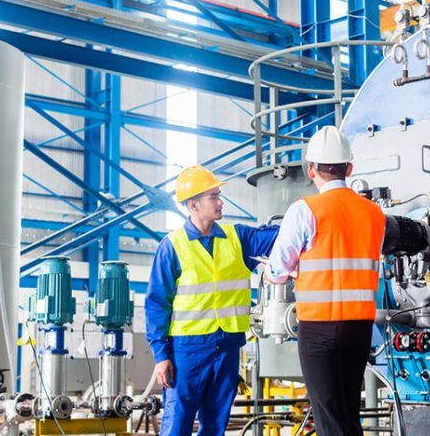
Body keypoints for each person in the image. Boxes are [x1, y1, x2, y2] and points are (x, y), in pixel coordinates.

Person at [266, 126, 386, 436]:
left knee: (329, 419)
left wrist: (278, 272)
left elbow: (278, 268)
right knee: (348, 415)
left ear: (311, 170)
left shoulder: (304, 210)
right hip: (360, 328)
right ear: (349, 168)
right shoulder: (375, 214)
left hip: (319, 328)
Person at [145, 165, 278, 436]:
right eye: (213, 197)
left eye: (219, 195)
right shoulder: (172, 246)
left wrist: (310, 217)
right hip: (187, 351)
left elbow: (277, 236)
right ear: (193, 205)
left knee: (216, 425)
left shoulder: (237, 238)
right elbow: (157, 303)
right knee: (177, 423)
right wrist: (161, 355)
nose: (220, 202)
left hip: (228, 347)